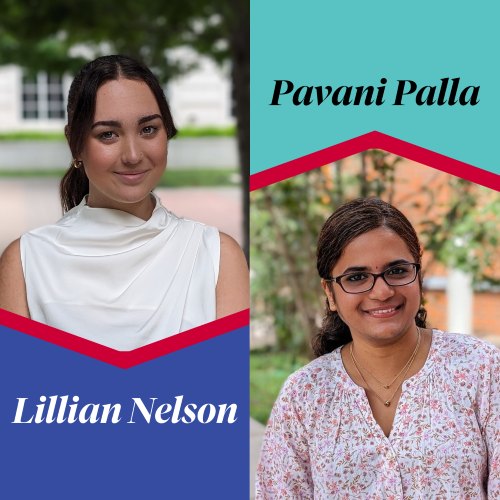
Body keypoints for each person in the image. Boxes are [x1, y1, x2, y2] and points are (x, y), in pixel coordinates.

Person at [0, 55, 249, 351]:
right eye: (108, 134)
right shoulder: (26, 262)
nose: (132, 155)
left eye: (148, 129)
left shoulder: (217, 256)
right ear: (74, 143)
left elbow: (223, 391)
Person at [256, 197, 500, 499]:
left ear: (418, 277)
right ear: (330, 293)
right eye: (357, 278)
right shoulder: (304, 396)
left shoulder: (481, 368)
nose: (382, 291)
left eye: (397, 271)